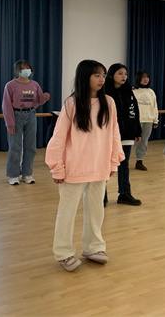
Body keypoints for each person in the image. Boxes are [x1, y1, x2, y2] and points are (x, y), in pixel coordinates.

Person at [46, 60, 124, 272]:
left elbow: (114, 132)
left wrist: (113, 160)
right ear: (85, 77)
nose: (101, 79)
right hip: (74, 168)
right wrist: (56, 166)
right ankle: (64, 252)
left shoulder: (109, 102)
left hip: (100, 166)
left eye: (103, 75)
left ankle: (94, 247)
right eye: (96, 75)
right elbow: (58, 137)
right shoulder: (72, 103)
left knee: (96, 210)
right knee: (67, 212)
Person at [2, 59, 50, 185]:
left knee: (30, 146)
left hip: (31, 114)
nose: (26, 70)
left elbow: (38, 101)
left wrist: (44, 98)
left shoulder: (35, 85)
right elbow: (6, 105)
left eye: (28, 68)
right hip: (16, 114)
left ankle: (27, 173)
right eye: (23, 68)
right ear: (17, 70)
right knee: (15, 146)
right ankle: (13, 175)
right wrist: (10, 124)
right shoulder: (10, 85)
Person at [104, 63, 142, 206]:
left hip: (127, 134)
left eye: (125, 74)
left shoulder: (129, 92)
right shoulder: (104, 92)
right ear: (111, 75)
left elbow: (134, 112)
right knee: (106, 165)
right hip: (108, 135)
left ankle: (125, 194)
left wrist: (137, 131)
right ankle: (101, 195)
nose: (123, 76)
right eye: (120, 73)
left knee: (124, 165)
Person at [133, 70, 158, 171]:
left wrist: (155, 120)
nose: (145, 79)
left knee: (144, 141)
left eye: (147, 77)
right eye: (143, 77)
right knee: (130, 142)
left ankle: (139, 161)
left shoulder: (151, 92)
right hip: (136, 121)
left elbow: (154, 106)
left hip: (148, 120)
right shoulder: (133, 91)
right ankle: (122, 162)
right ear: (138, 78)